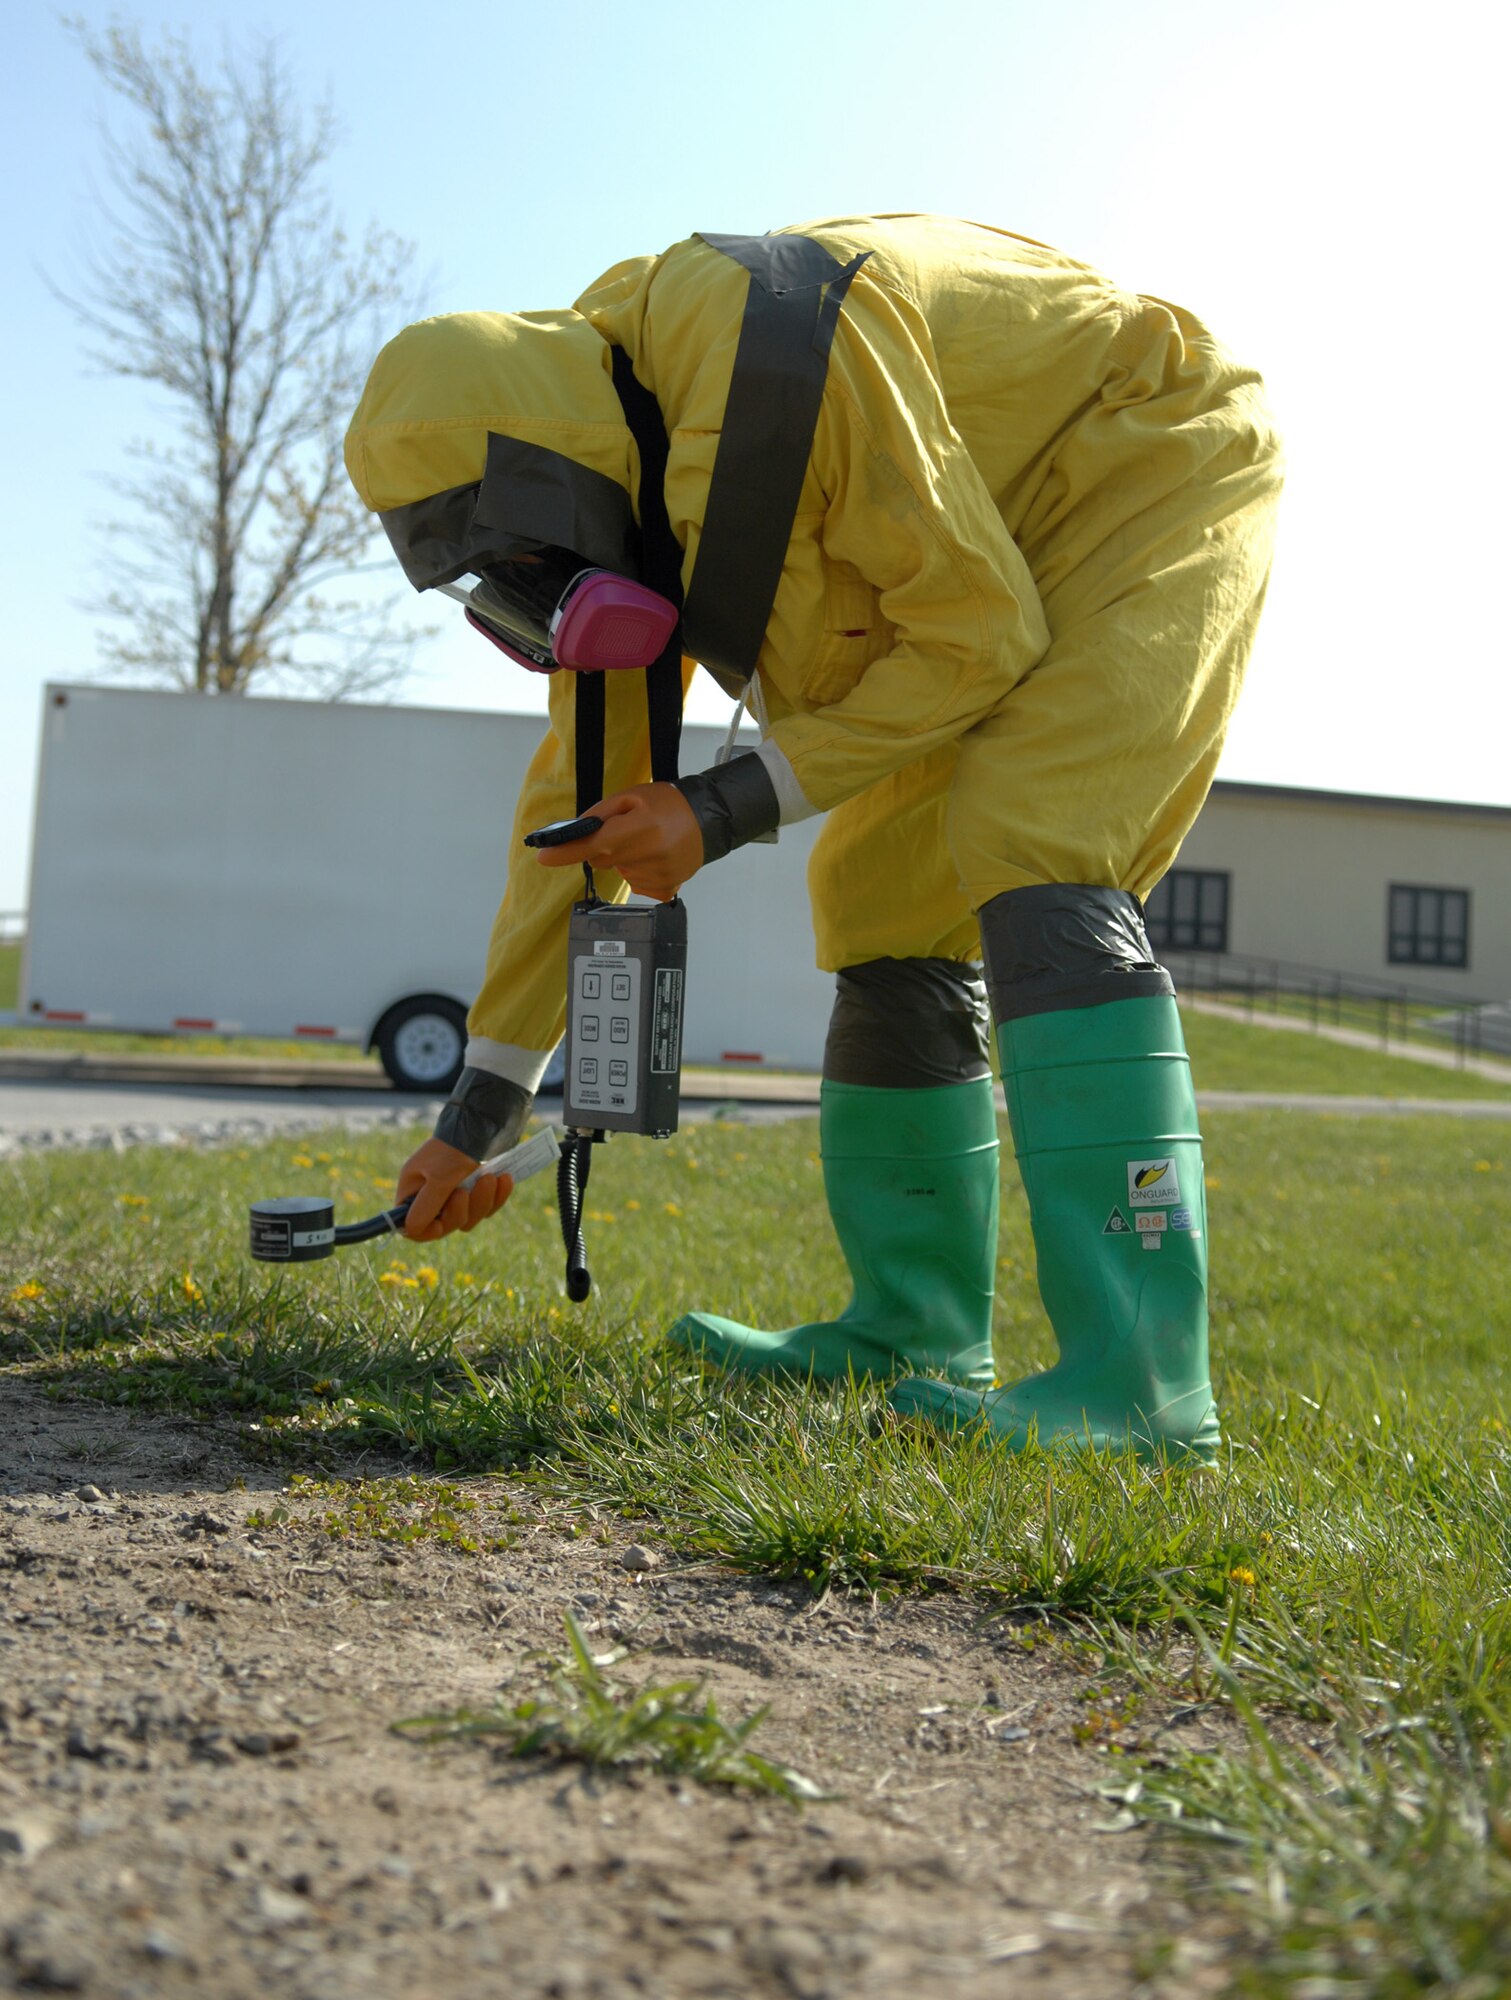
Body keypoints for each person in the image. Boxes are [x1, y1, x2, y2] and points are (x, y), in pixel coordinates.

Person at [343, 214, 1282, 1461]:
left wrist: (720, 807)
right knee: (879, 892)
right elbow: (571, 825)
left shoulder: (757, 350)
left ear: (542, 472)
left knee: (1033, 827)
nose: (523, 608)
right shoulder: (626, 501)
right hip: (978, 564)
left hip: (1138, 464)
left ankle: (1145, 1390)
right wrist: (477, 1115)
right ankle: (913, 1331)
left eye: (509, 563)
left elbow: (977, 637)